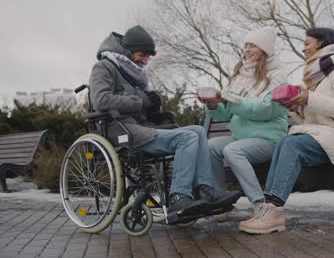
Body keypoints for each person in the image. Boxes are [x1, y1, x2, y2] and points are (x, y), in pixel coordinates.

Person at [89, 25, 241, 223]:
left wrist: (152, 105)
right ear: (128, 51)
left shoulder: (135, 73)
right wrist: (141, 101)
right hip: (121, 131)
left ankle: (204, 189)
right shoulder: (104, 67)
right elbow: (101, 101)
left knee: (197, 131)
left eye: (148, 57)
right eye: (142, 55)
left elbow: (140, 105)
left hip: (141, 127)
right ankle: (179, 196)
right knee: (186, 138)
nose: (145, 61)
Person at [238, 27, 334, 234]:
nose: (303, 49)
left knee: (292, 143)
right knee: (286, 141)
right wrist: (295, 108)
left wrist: (309, 98)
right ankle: (268, 210)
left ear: (322, 43)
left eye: (307, 43)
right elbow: (316, 116)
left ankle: (273, 211)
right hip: (324, 137)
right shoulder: (317, 75)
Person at [198, 27, 288, 221]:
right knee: (210, 146)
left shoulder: (277, 77)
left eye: (252, 45)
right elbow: (228, 112)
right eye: (245, 45)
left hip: (269, 139)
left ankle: (259, 205)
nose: (247, 49)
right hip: (241, 137)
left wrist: (229, 100)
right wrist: (213, 104)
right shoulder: (239, 76)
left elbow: (265, 109)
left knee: (233, 150)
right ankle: (220, 202)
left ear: (264, 49)